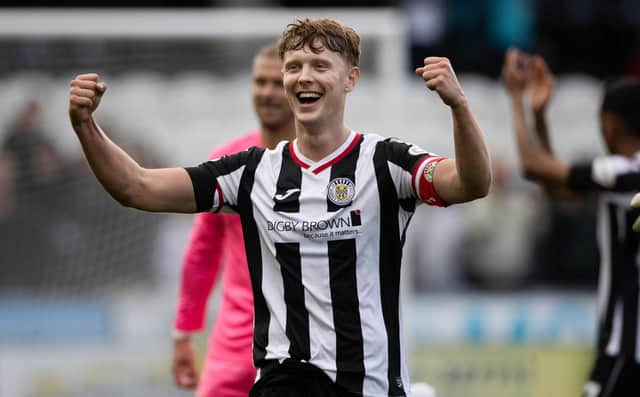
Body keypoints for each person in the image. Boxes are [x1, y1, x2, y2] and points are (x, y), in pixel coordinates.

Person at [68, 18, 491, 396]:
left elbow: (471, 182)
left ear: (351, 79)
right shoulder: (250, 172)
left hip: (368, 383)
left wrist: (460, 107)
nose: (303, 77)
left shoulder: (387, 162)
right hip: (283, 380)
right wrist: (86, 126)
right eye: (294, 67)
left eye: (320, 66)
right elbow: (136, 187)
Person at [503, 48, 640, 397]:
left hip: (626, 348)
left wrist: (516, 98)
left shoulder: (625, 171)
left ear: (609, 122)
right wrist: (540, 117)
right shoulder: (622, 179)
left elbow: (534, 167)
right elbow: (561, 191)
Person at [171, 42, 295, 397]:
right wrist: (184, 330)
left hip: (304, 343)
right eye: (260, 82)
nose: (268, 93)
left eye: (277, 83)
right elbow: (202, 252)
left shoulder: (323, 167)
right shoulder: (228, 161)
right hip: (236, 341)